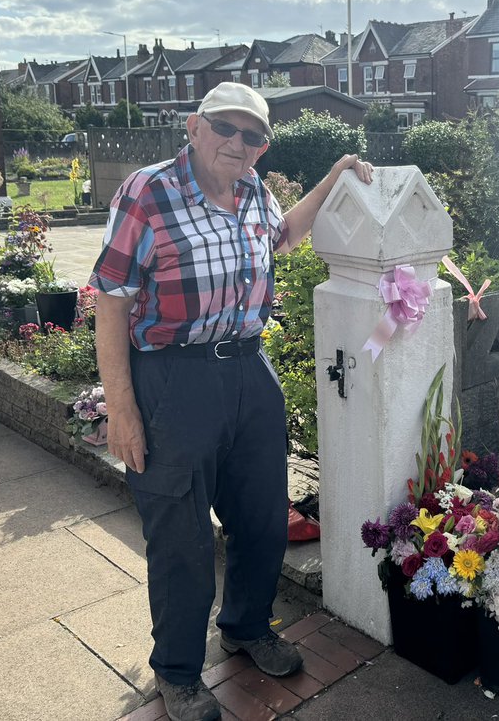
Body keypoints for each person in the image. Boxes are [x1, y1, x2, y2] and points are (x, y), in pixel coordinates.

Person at [91, 81, 373, 721]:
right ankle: (180, 671)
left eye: (253, 135)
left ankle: (245, 626)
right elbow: (110, 299)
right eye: (226, 128)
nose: (238, 143)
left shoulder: (252, 190)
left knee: (265, 518)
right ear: (194, 127)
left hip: (249, 369)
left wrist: (331, 178)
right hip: (173, 379)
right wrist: (123, 408)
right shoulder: (148, 191)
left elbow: (284, 236)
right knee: (182, 539)